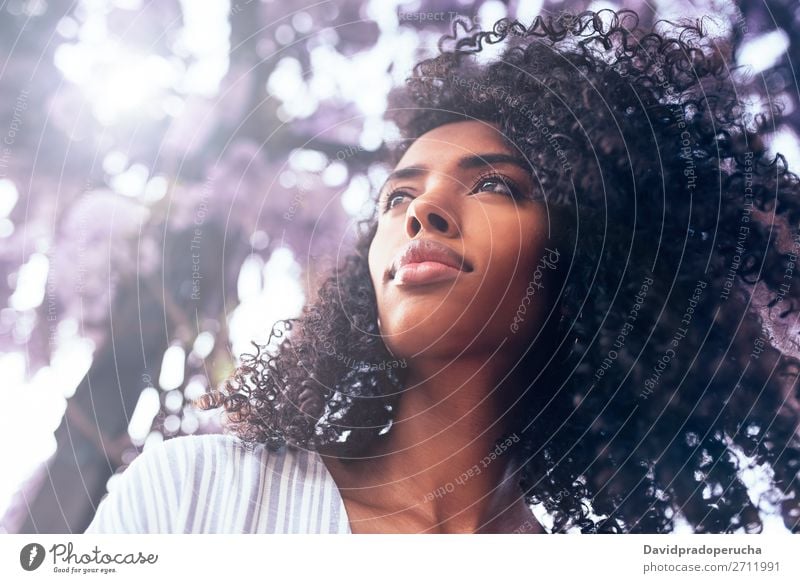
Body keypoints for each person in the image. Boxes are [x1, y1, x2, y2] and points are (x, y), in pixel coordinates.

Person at [85, 9, 800, 534]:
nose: (423, 209)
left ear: (587, 262)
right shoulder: (194, 498)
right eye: (397, 195)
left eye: (494, 185)